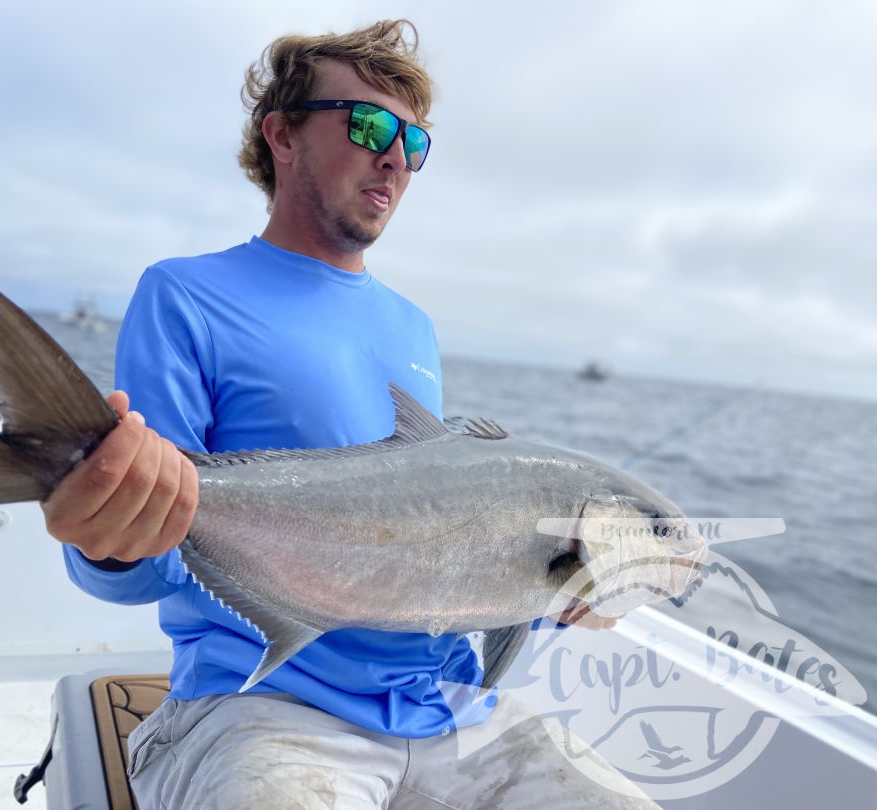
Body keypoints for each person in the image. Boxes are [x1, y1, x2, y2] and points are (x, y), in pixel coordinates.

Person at [42, 19, 655, 810]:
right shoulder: (187, 293)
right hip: (260, 712)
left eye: (415, 143)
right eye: (369, 125)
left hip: (451, 716)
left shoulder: (413, 328)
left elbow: (427, 556)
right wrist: (110, 541)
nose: (396, 156)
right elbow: (150, 560)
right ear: (282, 135)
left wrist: (554, 593)